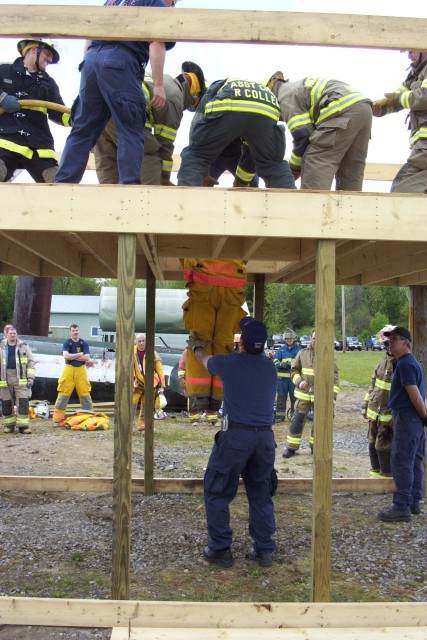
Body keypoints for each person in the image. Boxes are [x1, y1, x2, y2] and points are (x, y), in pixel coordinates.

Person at [188, 316, 278, 568]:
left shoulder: (230, 364)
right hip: (264, 439)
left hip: (236, 436)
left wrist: (196, 345)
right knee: (261, 492)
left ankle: (220, 549)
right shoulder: (269, 367)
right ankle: (264, 550)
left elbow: (204, 360)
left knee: (217, 491)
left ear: (243, 343)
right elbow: (247, 367)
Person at [55, 0, 176, 186]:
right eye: (173, 2)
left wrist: (88, 67)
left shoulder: (112, 1)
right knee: (130, 127)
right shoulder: (154, 3)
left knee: (83, 129)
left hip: (91, 60)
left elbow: (89, 36)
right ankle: (128, 186)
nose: (172, 6)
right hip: (121, 61)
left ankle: (63, 183)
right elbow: (156, 43)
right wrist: (158, 85)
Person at [94, 62, 206, 185]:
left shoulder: (163, 80)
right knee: (149, 151)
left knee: (107, 156)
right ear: (195, 96)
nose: (186, 108)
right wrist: (164, 178)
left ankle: (110, 201)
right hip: (123, 108)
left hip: (99, 106)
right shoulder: (175, 97)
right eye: (191, 105)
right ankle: (147, 200)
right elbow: (165, 143)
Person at [177, 77, 295, 188]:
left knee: (196, 154)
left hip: (231, 100)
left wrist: (199, 162)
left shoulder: (217, 86)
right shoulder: (255, 88)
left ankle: (185, 204)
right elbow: (251, 151)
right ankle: (292, 205)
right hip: (268, 106)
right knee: (273, 164)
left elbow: (198, 122)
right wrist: (241, 183)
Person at [267, 71, 372, 190]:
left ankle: (313, 206)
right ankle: (351, 208)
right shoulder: (296, 88)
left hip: (341, 109)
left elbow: (303, 137)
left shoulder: (285, 96)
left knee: (317, 160)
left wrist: (293, 170)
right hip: (363, 108)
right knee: (351, 167)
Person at [181, 258, 247, 425]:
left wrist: (189, 271)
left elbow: (185, 254)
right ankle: (215, 403)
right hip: (232, 287)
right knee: (224, 346)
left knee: (199, 342)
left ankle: (200, 399)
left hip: (203, 285)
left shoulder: (200, 236)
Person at [0, 38, 69, 183]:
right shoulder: (4, 70)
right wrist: (2, 98)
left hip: (39, 148)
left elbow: (59, 112)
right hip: (5, 142)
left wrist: (78, 117)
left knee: (59, 187)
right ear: (33, 50)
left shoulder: (48, 83)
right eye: (47, 54)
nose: (49, 59)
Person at [378, 327, 426, 522]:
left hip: (408, 417)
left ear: (405, 342)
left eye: (394, 339)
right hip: (412, 418)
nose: (389, 342)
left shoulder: (405, 364)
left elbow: (413, 392)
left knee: (401, 460)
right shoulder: (409, 362)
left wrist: (424, 415)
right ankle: (413, 501)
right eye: (388, 339)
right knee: (414, 459)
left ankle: (401, 507)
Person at [373, 50, 427, 193]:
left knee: (401, 193)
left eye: (411, 51)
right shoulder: (417, 73)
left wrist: (396, 99)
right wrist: (381, 107)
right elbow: (399, 94)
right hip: (422, 148)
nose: (409, 56)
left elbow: (423, 97)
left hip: (425, 150)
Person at [282, 330, 339, 458]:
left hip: (321, 396)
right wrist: (299, 382)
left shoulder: (328, 355)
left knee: (320, 423)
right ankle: (291, 448)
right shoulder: (302, 354)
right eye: (314, 338)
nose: (316, 341)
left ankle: (316, 448)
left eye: (319, 339)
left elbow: (334, 377)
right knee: (297, 420)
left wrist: (332, 397)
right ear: (310, 339)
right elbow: (294, 371)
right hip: (304, 395)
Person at [361, 325, 396, 478]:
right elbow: (373, 384)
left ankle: (386, 476)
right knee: (371, 442)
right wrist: (365, 404)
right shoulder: (383, 360)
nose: (388, 346)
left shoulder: (400, 363)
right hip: (374, 413)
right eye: (386, 344)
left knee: (383, 446)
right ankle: (375, 475)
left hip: (388, 415)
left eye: (390, 343)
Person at [53, 324, 93, 423]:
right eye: (73, 330)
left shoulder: (84, 343)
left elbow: (87, 357)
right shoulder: (67, 343)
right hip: (69, 369)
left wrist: (72, 356)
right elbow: (66, 356)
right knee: (63, 393)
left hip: (81, 370)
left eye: (77, 330)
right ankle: (58, 418)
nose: (75, 332)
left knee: (85, 393)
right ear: (70, 332)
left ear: (79, 331)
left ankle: (87, 416)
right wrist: (79, 354)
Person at [0, 326, 35, 434]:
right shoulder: (1, 346)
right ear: (6, 334)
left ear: (16, 334)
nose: (12, 335)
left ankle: (23, 426)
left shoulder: (23, 346)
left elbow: (31, 362)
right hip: (4, 379)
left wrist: (30, 377)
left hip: (21, 379)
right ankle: (9, 426)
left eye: (14, 333)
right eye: (10, 333)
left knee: (23, 402)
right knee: (6, 403)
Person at [133, 333, 166, 431]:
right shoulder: (132, 353)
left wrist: (162, 386)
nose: (142, 343)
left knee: (146, 405)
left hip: (150, 384)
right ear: (136, 342)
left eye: (143, 341)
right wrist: (134, 382)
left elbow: (159, 369)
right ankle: (127, 424)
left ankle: (142, 424)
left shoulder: (153, 353)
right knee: (132, 404)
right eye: (139, 341)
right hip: (137, 384)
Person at [273, 329, 301, 422]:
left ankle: (294, 416)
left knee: (295, 398)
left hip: (294, 379)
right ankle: (280, 417)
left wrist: (291, 364)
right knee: (281, 398)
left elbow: (301, 362)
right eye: (287, 338)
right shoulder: (280, 350)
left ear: (294, 339)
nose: (289, 340)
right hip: (281, 380)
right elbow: (275, 361)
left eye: (291, 338)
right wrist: (281, 364)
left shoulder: (299, 350)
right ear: (285, 339)